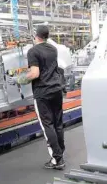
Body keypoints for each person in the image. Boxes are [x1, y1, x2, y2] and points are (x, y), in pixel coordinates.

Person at [8, 25, 65, 169]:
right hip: (56, 90)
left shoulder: (33, 51)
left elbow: (34, 74)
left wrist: (18, 79)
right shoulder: (53, 49)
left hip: (43, 93)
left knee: (48, 125)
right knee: (57, 123)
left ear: (36, 36)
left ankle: (57, 159)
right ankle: (60, 152)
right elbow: (48, 67)